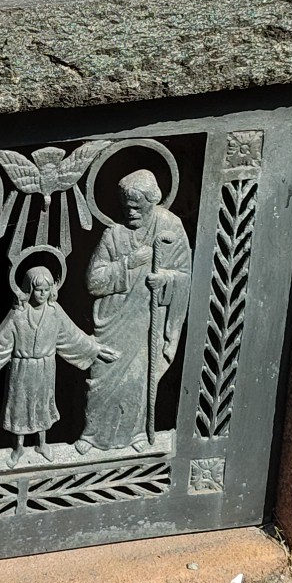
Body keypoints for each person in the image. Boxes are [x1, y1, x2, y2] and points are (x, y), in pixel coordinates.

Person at [0, 262, 115, 465]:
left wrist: (95, 349)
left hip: (45, 368)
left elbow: (72, 336)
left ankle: (42, 443)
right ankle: (18, 447)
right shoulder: (18, 315)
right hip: (22, 369)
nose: (43, 294)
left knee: (43, 406)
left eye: (46, 289)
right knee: (19, 408)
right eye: (38, 290)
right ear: (28, 289)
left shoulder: (55, 312)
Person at [82, 169, 192, 452]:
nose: (130, 211)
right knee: (101, 378)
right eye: (125, 206)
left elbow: (184, 275)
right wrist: (129, 263)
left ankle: (137, 435)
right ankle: (91, 435)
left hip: (146, 320)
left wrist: (165, 279)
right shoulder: (114, 235)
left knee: (138, 380)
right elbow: (94, 281)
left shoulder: (169, 227)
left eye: (136, 205)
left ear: (152, 201)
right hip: (114, 322)